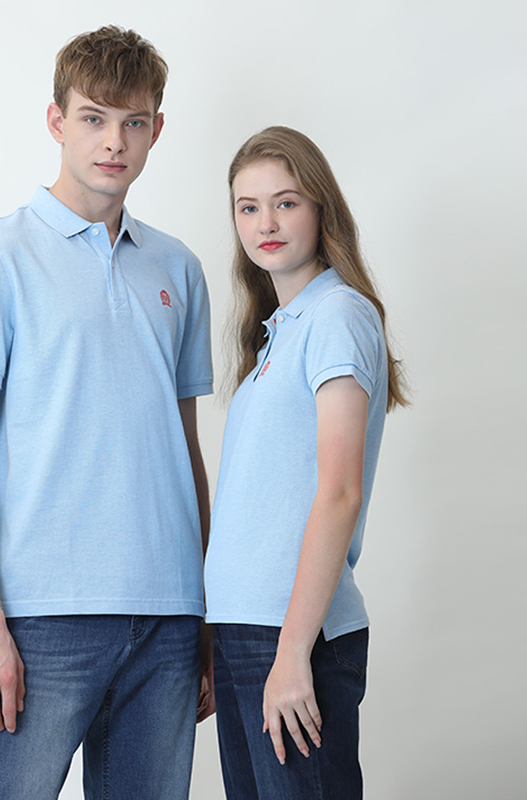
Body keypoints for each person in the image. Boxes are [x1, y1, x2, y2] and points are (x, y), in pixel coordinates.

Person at [0, 26, 214, 800]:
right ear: (57, 121)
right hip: (43, 617)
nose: (113, 141)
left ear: (157, 129)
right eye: (94, 118)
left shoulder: (179, 268)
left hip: (168, 617)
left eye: (133, 122)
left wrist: (206, 611)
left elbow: (185, 450)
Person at [204, 126, 409, 799]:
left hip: (294, 635)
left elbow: (340, 491)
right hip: (245, 632)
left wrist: (293, 651)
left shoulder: (337, 315)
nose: (265, 223)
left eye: (285, 203)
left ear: (322, 209)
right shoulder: (278, 333)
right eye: (248, 207)